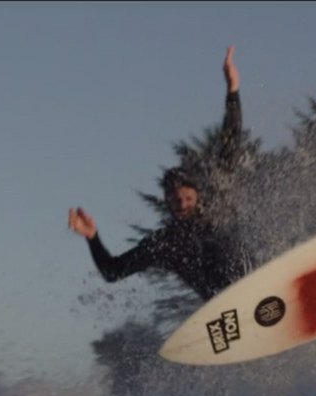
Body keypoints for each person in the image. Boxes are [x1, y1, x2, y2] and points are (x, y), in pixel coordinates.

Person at [68, 45, 252, 301]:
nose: (183, 204)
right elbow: (113, 272)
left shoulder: (215, 206)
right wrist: (92, 237)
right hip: (222, 303)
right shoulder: (165, 243)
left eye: (188, 198)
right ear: (167, 202)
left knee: (230, 238)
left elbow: (230, 143)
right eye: (176, 200)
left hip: (252, 278)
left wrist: (233, 91)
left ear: (197, 194)